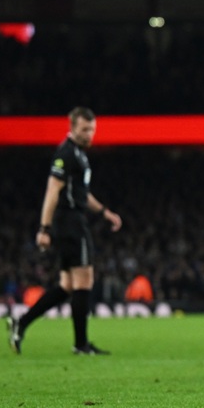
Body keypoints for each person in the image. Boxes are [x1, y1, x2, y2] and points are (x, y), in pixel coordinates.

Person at [7, 107, 123, 355]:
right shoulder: (66, 154)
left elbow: (82, 194)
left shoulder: (79, 155)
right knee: (85, 280)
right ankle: (80, 344)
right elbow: (52, 191)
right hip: (69, 221)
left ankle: (22, 322)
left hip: (72, 218)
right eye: (84, 129)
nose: (89, 134)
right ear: (71, 128)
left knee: (68, 285)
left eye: (92, 129)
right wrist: (44, 228)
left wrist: (105, 213)